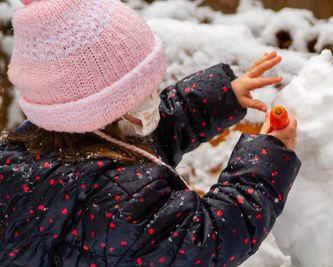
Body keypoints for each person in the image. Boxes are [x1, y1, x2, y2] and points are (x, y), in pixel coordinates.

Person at [0, 0, 300, 266]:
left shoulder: (54, 150)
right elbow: (207, 241)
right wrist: (267, 158)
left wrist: (224, 95)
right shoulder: (114, 206)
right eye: (144, 92)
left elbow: (153, 132)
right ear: (99, 111)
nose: (156, 97)